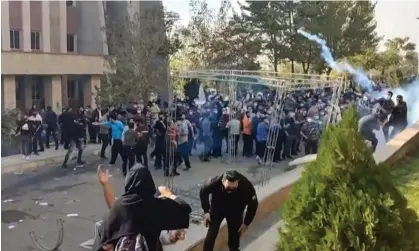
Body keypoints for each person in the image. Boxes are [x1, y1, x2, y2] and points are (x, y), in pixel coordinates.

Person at [97, 165, 192, 251]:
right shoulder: (156, 206)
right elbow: (185, 209)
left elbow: (113, 207)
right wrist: (169, 194)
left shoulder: (122, 205)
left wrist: (105, 185)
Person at [200, 170, 258, 251]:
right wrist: (206, 211)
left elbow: (253, 204)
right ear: (223, 181)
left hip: (236, 211)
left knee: (234, 236)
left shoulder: (246, 186)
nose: (230, 190)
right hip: (218, 208)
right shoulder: (215, 181)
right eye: (227, 188)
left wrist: (246, 223)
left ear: (238, 182)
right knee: (212, 233)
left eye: (233, 188)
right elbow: (203, 191)